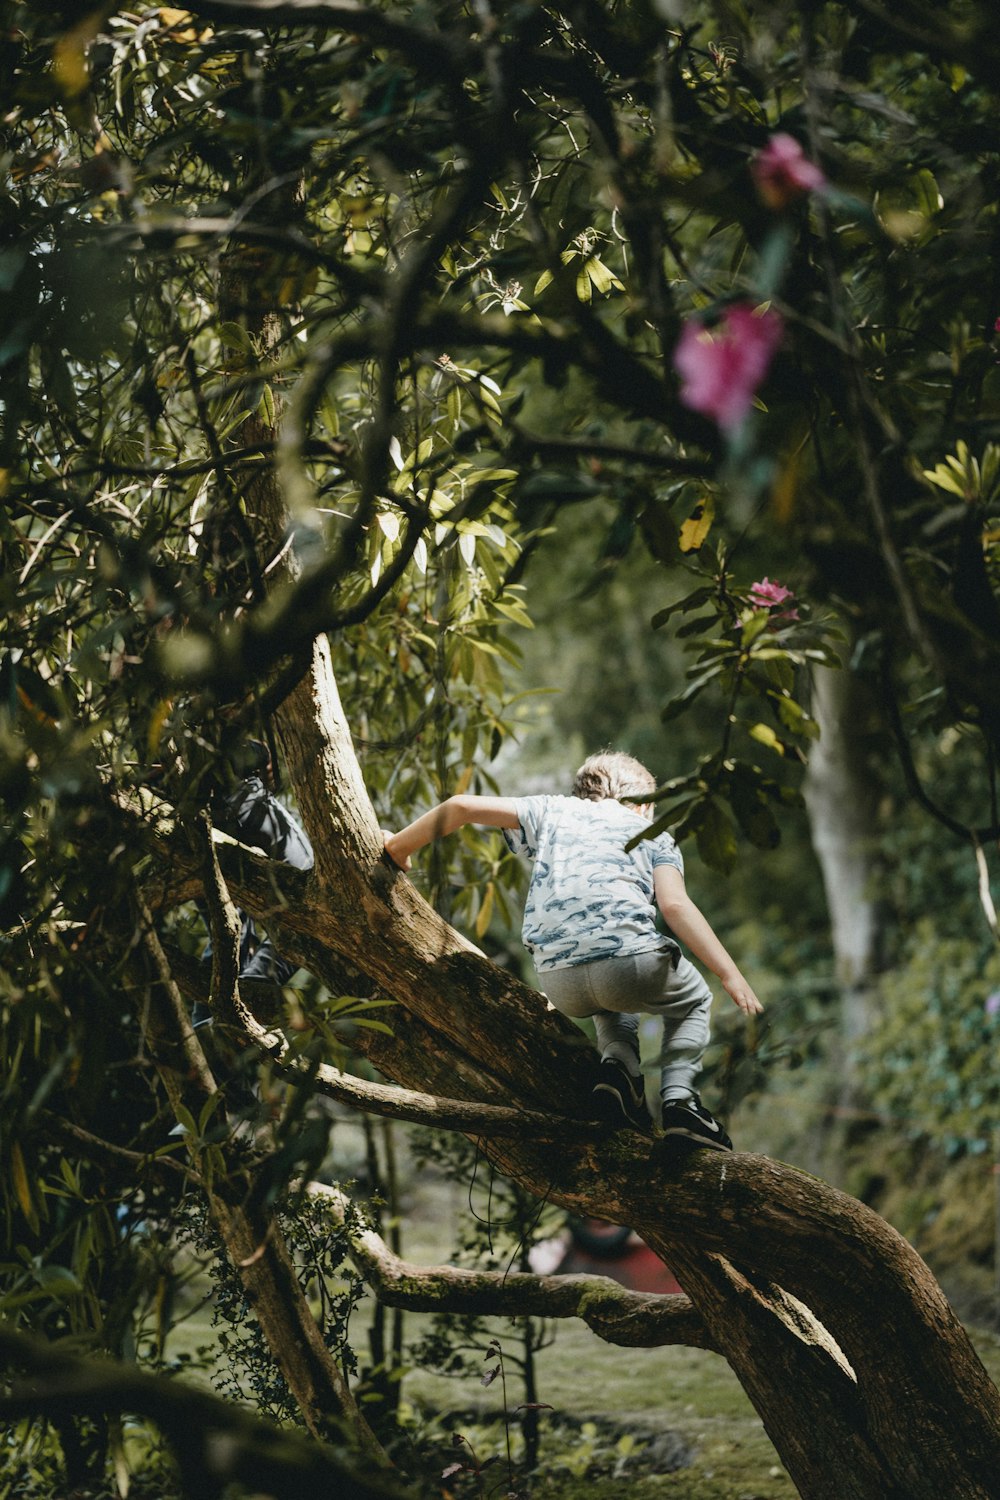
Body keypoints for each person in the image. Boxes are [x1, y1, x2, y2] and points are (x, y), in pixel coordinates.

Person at [382, 751, 762, 1149]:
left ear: (584, 792)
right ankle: (681, 1104)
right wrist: (728, 974)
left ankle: (620, 1074)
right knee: (693, 1001)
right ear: (645, 805)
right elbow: (675, 907)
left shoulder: (553, 811)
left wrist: (398, 847)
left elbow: (460, 806)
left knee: (610, 1006)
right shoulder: (652, 833)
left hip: (559, 982)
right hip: (631, 966)